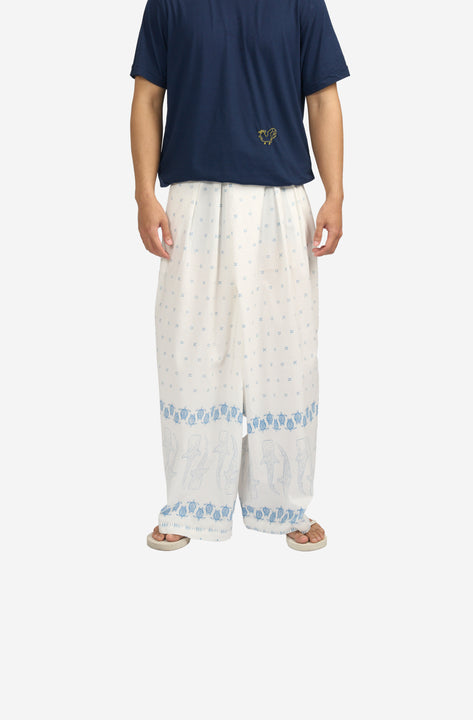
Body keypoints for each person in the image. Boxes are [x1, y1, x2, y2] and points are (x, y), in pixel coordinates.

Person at [129, 0, 350, 551]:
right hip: (193, 202)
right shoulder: (169, 3)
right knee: (189, 354)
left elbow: (323, 98)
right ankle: (189, 504)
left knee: (287, 356)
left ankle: (286, 504)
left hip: (279, 199)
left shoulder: (300, 3)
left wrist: (336, 193)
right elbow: (147, 96)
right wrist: (143, 194)